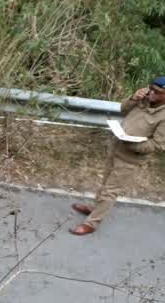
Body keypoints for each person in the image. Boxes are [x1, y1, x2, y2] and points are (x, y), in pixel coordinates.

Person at [70, 77, 165, 235]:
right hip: (116, 147)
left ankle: (91, 224)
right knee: (105, 182)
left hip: (130, 158)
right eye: (151, 89)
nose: (152, 93)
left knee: (110, 190)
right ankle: (95, 209)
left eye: (158, 92)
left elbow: (158, 145)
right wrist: (133, 98)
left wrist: (132, 144)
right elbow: (123, 109)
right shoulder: (144, 98)